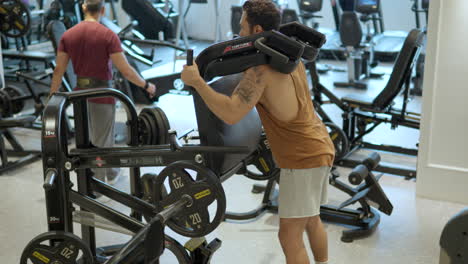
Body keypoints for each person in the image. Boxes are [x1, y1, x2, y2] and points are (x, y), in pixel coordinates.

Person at [181, 1, 335, 263]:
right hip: (320, 145)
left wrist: (197, 82)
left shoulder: (261, 69)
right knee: (311, 221)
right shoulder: (290, 55)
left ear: (258, 28)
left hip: (302, 158)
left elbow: (231, 113)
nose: (240, 34)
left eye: (242, 27)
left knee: (289, 237)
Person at [49, 0, 156, 185]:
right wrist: (146, 86)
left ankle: (102, 175)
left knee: (87, 137)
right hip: (103, 95)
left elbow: (59, 70)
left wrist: (52, 95)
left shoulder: (68, 35)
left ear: (83, 8)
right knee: (103, 141)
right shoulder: (108, 35)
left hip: (79, 94)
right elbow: (126, 70)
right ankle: (100, 182)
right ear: (103, 10)